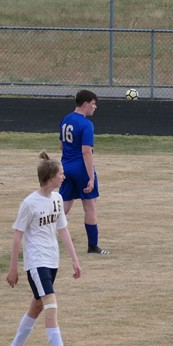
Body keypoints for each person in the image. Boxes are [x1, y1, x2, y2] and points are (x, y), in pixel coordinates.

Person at [5, 152, 82, 346]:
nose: (63, 177)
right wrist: (13, 268)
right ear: (50, 177)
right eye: (61, 174)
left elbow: (63, 230)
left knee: (37, 306)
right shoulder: (29, 203)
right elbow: (17, 236)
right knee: (51, 305)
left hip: (52, 260)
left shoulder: (57, 199)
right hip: (36, 262)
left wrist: (75, 260)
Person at [58, 89, 109, 255]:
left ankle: (42, 233)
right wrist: (91, 177)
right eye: (93, 104)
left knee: (64, 206)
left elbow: (62, 145)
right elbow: (86, 152)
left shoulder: (66, 119)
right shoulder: (86, 124)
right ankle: (93, 246)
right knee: (90, 206)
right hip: (81, 168)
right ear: (86, 104)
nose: (95, 107)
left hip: (66, 166)